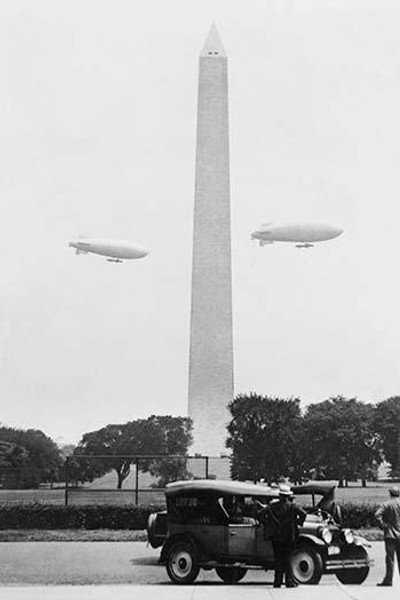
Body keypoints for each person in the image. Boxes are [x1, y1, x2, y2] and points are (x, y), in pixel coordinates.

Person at [262, 484, 307, 588]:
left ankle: (277, 581)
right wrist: (297, 522)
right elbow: (304, 514)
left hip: (276, 536)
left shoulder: (272, 506)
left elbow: (261, 513)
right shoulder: (293, 506)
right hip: (289, 535)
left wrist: (267, 523)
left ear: (280, 495)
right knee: (288, 558)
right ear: (288, 496)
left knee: (278, 558)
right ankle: (289, 581)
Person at [375, 486, 400, 587]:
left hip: (390, 534)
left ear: (390, 493)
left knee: (390, 559)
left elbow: (377, 515)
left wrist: (383, 525)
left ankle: (388, 580)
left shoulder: (386, 504)